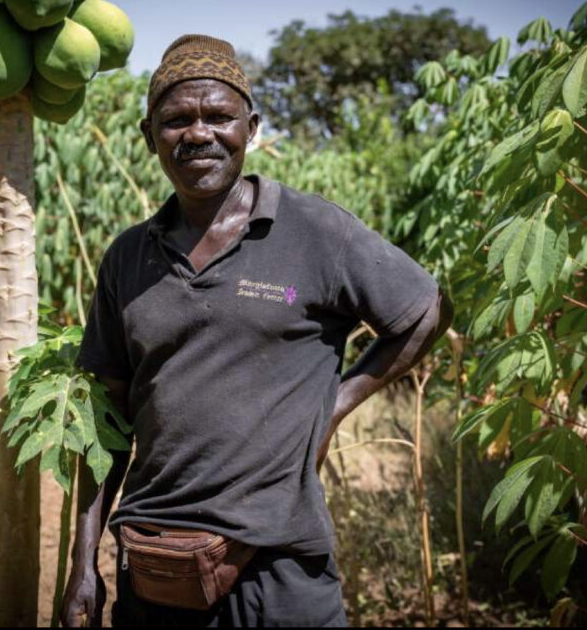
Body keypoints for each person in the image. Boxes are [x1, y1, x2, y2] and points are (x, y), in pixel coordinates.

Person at [60, 34, 452, 628]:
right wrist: (82, 561)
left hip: (281, 565)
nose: (198, 134)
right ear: (149, 138)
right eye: (176, 121)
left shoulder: (317, 231)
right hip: (158, 563)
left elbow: (426, 309)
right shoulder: (127, 258)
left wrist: (337, 404)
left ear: (251, 126)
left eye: (218, 116)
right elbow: (103, 425)